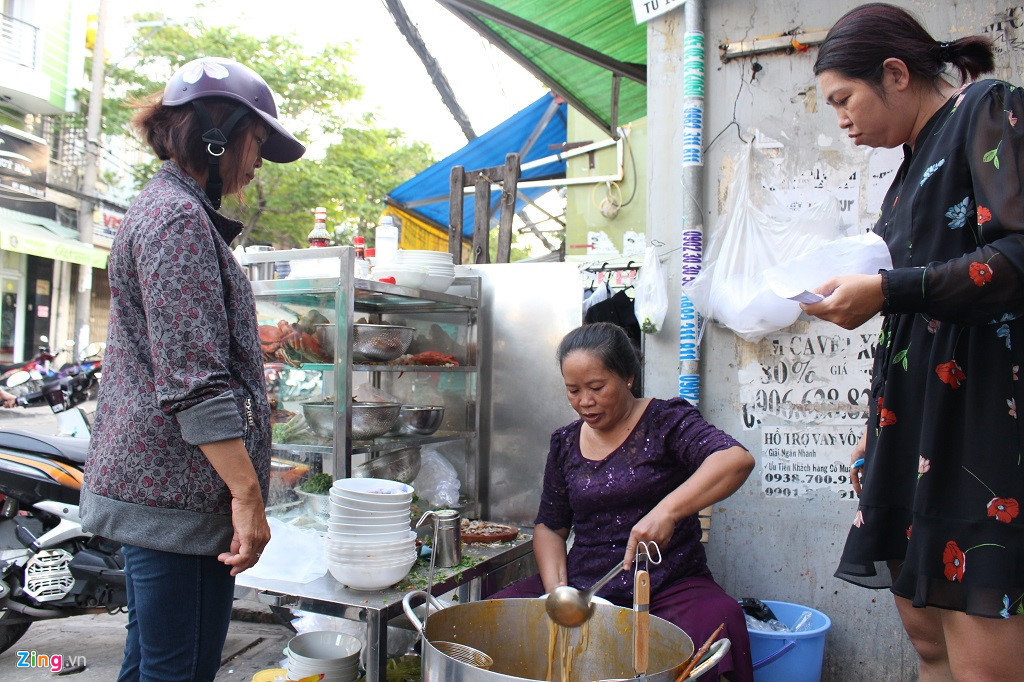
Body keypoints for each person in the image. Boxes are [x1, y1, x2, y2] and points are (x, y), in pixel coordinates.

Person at [805, 4, 1024, 679]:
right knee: (930, 646)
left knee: (985, 664)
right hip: (913, 424)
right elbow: (910, 308)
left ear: (895, 74)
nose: (841, 120)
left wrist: (886, 289)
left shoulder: (988, 109)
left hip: (980, 422)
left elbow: (1016, 255)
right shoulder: (906, 170)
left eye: (844, 99)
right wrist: (875, 425)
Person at [80, 57, 304, 682]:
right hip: (174, 498)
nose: (257, 163)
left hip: (167, 495)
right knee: (178, 671)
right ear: (216, 135)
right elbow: (193, 382)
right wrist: (248, 497)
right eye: (255, 141)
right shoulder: (178, 221)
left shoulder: (171, 210)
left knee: (153, 663)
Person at [493, 322, 756, 681]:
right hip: (587, 586)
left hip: (668, 585)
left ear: (628, 377)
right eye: (573, 390)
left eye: (597, 387)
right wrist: (560, 596)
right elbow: (550, 527)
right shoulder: (565, 443)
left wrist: (667, 511)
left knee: (720, 618)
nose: (585, 402)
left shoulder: (666, 421)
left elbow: (735, 460)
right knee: (495, 619)